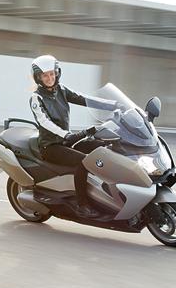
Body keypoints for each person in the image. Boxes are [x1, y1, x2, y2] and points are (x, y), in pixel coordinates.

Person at [29, 55, 120, 218]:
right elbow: (44, 122)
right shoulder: (36, 98)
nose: (49, 78)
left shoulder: (61, 90)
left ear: (57, 73)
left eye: (52, 74)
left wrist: (112, 105)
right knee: (84, 162)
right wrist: (67, 134)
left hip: (66, 141)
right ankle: (82, 204)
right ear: (38, 77)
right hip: (51, 146)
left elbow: (84, 99)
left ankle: (112, 190)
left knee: (101, 146)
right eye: (45, 75)